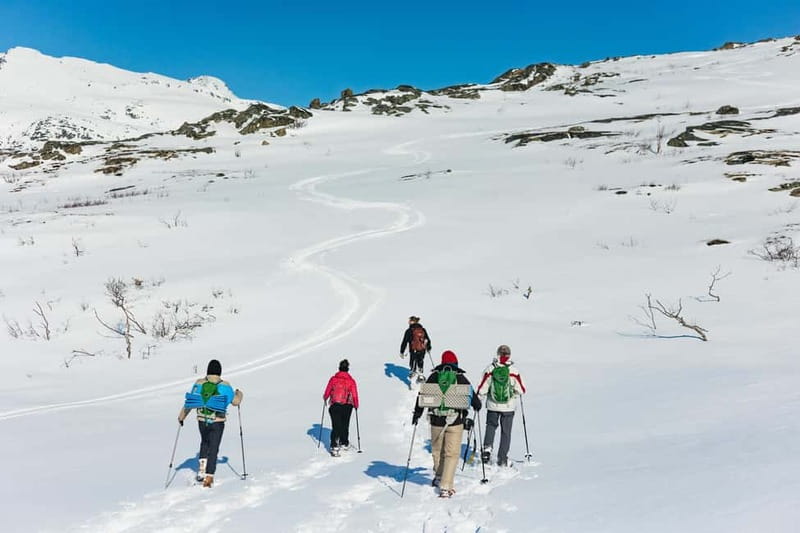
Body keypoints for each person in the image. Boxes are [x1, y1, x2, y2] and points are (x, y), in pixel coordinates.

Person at [412, 350, 481, 498]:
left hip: (436, 420)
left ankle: (438, 477)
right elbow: (473, 396)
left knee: (437, 451)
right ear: (455, 363)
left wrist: (417, 414)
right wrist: (477, 405)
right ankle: (446, 486)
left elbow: (422, 395)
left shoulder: (434, 376)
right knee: (451, 454)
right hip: (455, 421)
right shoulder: (459, 377)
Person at [178, 359, 243, 487]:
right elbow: (236, 402)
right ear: (219, 371)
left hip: (202, 420)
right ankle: (209, 476)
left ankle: (201, 471)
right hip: (217, 421)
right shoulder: (225, 386)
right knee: (214, 447)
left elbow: (190, 403)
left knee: (204, 442)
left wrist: (181, 417)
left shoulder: (199, 383)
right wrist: (239, 393)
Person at [477, 345, 526, 467]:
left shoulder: (490, 369)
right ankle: (502, 458)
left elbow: (482, 386)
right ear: (509, 355)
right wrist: (514, 393)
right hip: (508, 407)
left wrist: (479, 397)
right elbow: (522, 389)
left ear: (498, 354)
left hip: (492, 405)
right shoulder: (514, 371)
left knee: (491, 426)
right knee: (506, 432)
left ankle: (487, 448)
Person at [323, 359, 359, 457]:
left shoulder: (333, 379)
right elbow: (354, 394)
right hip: (347, 406)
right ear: (347, 369)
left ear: (339, 368)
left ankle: (334, 445)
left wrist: (325, 397)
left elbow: (327, 391)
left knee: (336, 426)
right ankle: (344, 443)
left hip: (335, 405)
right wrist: (356, 404)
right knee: (345, 424)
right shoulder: (351, 381)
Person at [400, 316, 432, 383]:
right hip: (422, 349)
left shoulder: (409, 330)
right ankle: (420, 375)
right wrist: (428, 347)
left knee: (413, 362)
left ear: (412, 321)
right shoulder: (422, 329)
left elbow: (405, 341)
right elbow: (427, 339)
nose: (408, 322)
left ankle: (413, 375)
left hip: (413, 350)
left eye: (409, 321)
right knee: (420, 361)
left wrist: (402, 351)